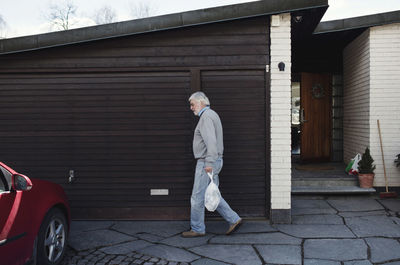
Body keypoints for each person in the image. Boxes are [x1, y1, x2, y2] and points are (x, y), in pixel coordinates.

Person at [182, 91, 242, 238]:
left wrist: (209, 162)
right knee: (212, 194)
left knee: (197, 197)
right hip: (213, 160)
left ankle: (197, 228)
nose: (191, 108)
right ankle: (234, 219)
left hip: (206, 162)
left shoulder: (206, 117)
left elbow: (211, 142)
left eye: (192, 104)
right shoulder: (211, 115)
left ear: (201, 102)